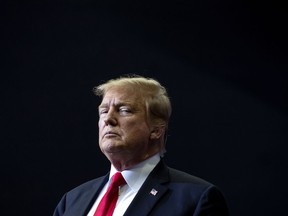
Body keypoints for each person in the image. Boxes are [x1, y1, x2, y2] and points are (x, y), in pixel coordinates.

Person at [53, 74, 229, 216]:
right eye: (104, 111)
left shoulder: (196, 199)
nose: (108, 119)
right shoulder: (72, 201)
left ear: (156, 130)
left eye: (124, 110)